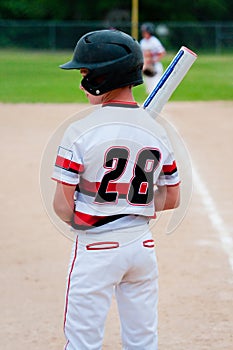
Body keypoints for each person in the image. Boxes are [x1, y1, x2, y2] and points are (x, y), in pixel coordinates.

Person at [52, 29, 180, 350]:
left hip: (95, 249)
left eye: (85, 73)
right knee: (142, 340)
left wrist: (95, 210)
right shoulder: (157, 130)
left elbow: (62, 206)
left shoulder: (79, 131)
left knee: (83, 341)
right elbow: (173, 197)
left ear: (102, 78)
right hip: (142, 248)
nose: (81, 84)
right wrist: (129, 200)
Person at [140, 22, 166, 94]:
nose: (144, 33)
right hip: (147, 66)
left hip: (155, 66)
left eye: (145, 31)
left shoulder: (154, 41)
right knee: (149, 89)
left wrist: (153, 60)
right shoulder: (142, 42)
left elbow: (162, 53)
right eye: (143, 32)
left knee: (155, 87)